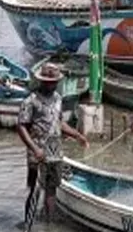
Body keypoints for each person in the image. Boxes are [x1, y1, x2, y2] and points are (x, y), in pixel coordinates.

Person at [16, 62, 89, 222]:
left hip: (54, 152)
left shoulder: (57, 98)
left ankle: (49, 226)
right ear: (42, 81)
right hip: (36, 153)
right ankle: (28, 224)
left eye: (55, 82)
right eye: (50, 82)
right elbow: (21, 126)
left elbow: (59, 122)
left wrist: (77, 135)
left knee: (51, 190)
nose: (53, 85)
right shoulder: (31, 101)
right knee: (33, 189)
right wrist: (35, 149)